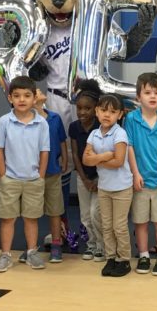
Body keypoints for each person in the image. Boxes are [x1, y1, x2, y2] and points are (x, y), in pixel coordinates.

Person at [0, 76, 50, 272]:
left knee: (31, 218)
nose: (22, 100)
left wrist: (40, 175)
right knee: (8, 218)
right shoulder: (4, 121)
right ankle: (6, 254)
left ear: (35, 99)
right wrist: (3, 175)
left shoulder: (42, 123)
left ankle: (32, 252)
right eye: (17, 96)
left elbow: (44, 151)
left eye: (27, 96)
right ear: (10, 98)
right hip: (11, 179)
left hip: (33, 179)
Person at [125, 73, 157, 276]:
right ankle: (144, 255)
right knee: (140, 221)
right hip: (141, 180)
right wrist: (135, 174)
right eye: (147, 92)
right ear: (138, 96)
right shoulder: (131, 119)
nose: (152, 96)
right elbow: (129, 147)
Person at [83, 94, 134, 277]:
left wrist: (96, 159)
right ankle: (110, 257)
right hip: (104, 187)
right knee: (106, 225)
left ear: (120, 115)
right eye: (103, 110)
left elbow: (119, 161)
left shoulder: (120, 133)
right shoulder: (94, 134)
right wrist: (104, 156)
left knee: (119, 226)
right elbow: (85, 160)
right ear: (97, 111)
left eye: (112, 112)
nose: (107, 115)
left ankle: (124, 259)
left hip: (121, 187)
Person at [33, 88, 69, 264]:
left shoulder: (54, 117)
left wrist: (65, 158)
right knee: (30, 212)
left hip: (53, 170)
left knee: (55, 210)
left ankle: (56, 244)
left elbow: (61, 140)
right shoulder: (27, 119)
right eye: (36, 91)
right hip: (31, 172)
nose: (40, 91)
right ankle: (31, 248)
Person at [69, 80, 104, 262]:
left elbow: (104, 153)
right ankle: (91, 245)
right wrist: (84, 179)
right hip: (83, 177)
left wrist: (96, 179)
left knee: (95, 213)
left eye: (87, 109)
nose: (82, 112)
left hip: (100, 176)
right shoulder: (74, 127)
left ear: (96, 109)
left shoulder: (101, 126)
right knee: (84, 216)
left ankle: (102, 245)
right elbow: (75, 154)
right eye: (79, 108)